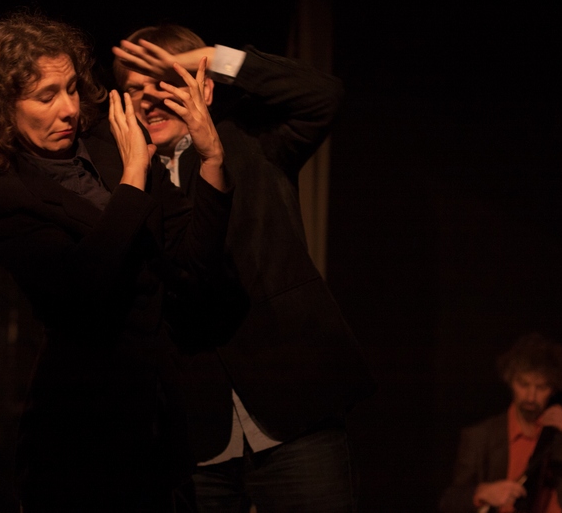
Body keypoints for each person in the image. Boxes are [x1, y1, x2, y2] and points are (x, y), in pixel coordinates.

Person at [0, 11, 232, 511]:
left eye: (72, 88)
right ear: (2, 108)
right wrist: (135, 176)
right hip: (83, 436)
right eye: (46, 96)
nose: (70, 109)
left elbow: (189, 261)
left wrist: (212, 162)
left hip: (159, 426)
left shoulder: (106, 145)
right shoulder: (0, 195)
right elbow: (86, 286)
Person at [112, 25, 376, 512]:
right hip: (193, 433)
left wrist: (210, 56)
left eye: (164, 81)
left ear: (204, 86)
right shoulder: (122, 182)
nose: (148, 99)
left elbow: (323, 95)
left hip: (293, 409)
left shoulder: (252, 141)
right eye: (135, 89)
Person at [439, 333, 562, 513]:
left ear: (554, 388)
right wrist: (482, 492)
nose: (531, 397)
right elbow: (449, 503)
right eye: (523, 384)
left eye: (541, 387)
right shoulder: (481, 436)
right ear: (510, 380)